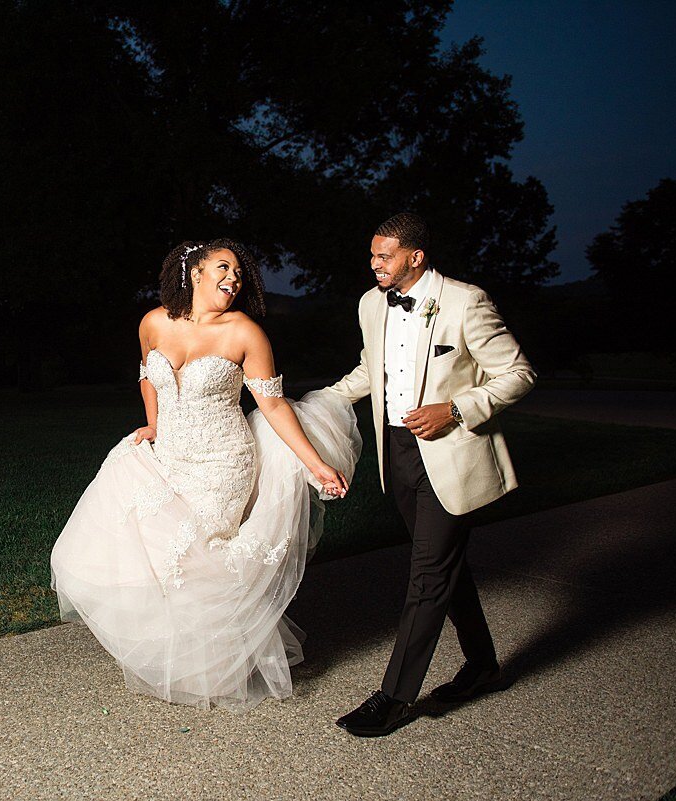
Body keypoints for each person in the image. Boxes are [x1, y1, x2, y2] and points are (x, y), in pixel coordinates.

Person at [50, 239, 361, 710]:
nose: (234, 279)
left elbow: (272, 405)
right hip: (171, 455)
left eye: (239, 274)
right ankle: (180, 660)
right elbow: (145, 374)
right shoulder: (153, 322)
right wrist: (154, 423)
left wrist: (314, 463)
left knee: (204, 558)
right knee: (159, 555)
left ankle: (219, 668)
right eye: (224, 268)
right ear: (194, 272)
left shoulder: (245, 333)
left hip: (223, 462)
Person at [327, 212, 536, 737]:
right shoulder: (371, 304)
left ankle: (395, 698)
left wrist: (458, 408)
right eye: (372, 254)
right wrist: (317, 399)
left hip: (451, 452)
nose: (374, 263)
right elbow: (369, 372)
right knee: (443, 566)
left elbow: (518, 373)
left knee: (427, 574)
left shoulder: (466, 301)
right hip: (396, 452)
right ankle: (483, 667)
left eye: (384, 255)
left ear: (415, 257)